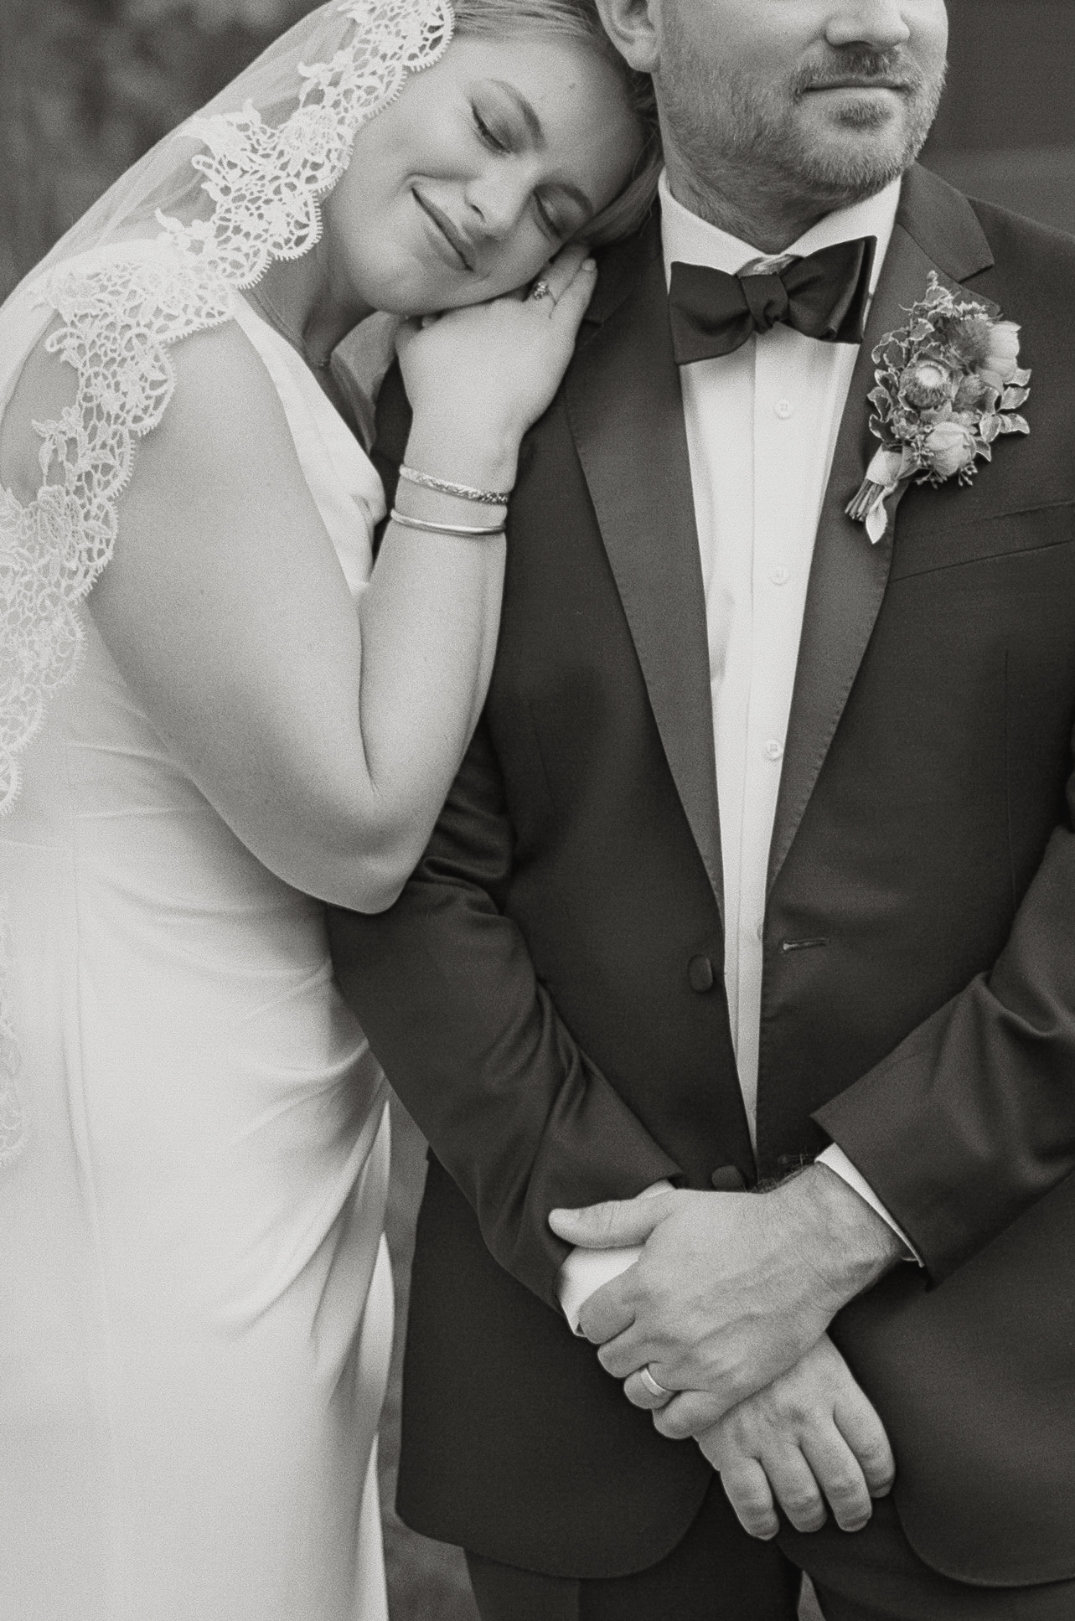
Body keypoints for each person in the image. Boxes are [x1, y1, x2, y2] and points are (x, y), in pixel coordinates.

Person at [328, 0, 1075, 1616]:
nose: (880, 19)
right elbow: (407, 874)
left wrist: (829, 1228)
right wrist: (638, 1285)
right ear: (640, 18)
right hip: (583, 1392)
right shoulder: (463, 368)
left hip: (1014, 1395)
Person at [0, 2, 661, 1616]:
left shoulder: (275, 369)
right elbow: (360, 826)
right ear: (381, 56)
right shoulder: (149, 333)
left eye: (556, 216)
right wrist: (476, 429)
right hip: (136, 1189)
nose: (499, 212)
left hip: (261, 1169)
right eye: (501, 128)